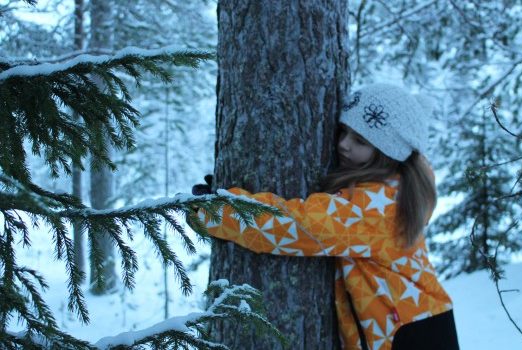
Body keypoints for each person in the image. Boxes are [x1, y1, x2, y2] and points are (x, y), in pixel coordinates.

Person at [193, 84, 459, 350]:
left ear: (388, 152)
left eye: (360, 141)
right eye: (344, 132)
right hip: (420, 324)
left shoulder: (378, 208)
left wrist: (219, 210)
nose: (343, 144)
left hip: (409, 336)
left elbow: (298, 226)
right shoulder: (395, 191)